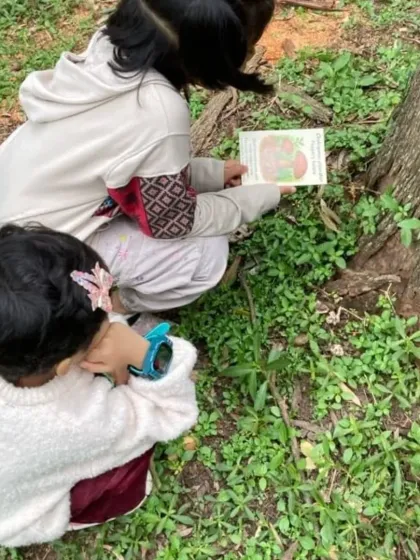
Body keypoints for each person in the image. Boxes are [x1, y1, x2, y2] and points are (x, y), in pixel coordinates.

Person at [0, 0, 293, 315]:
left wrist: (212, 173)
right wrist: (257, 197)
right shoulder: (158, 110)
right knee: (205, 254)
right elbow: (171, 221)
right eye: (245, 50)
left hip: (20, 218)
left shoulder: (109, 48)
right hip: (28, 264)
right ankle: (107, 310)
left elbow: (129, 169)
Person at [0, 224, 198, 547]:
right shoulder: (75, 421)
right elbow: (172, 413)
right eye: (102, 329)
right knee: (127, 475)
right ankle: (87, 513)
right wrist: (140, 351)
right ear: (65, 365)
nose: (112, 321)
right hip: (16, 517)